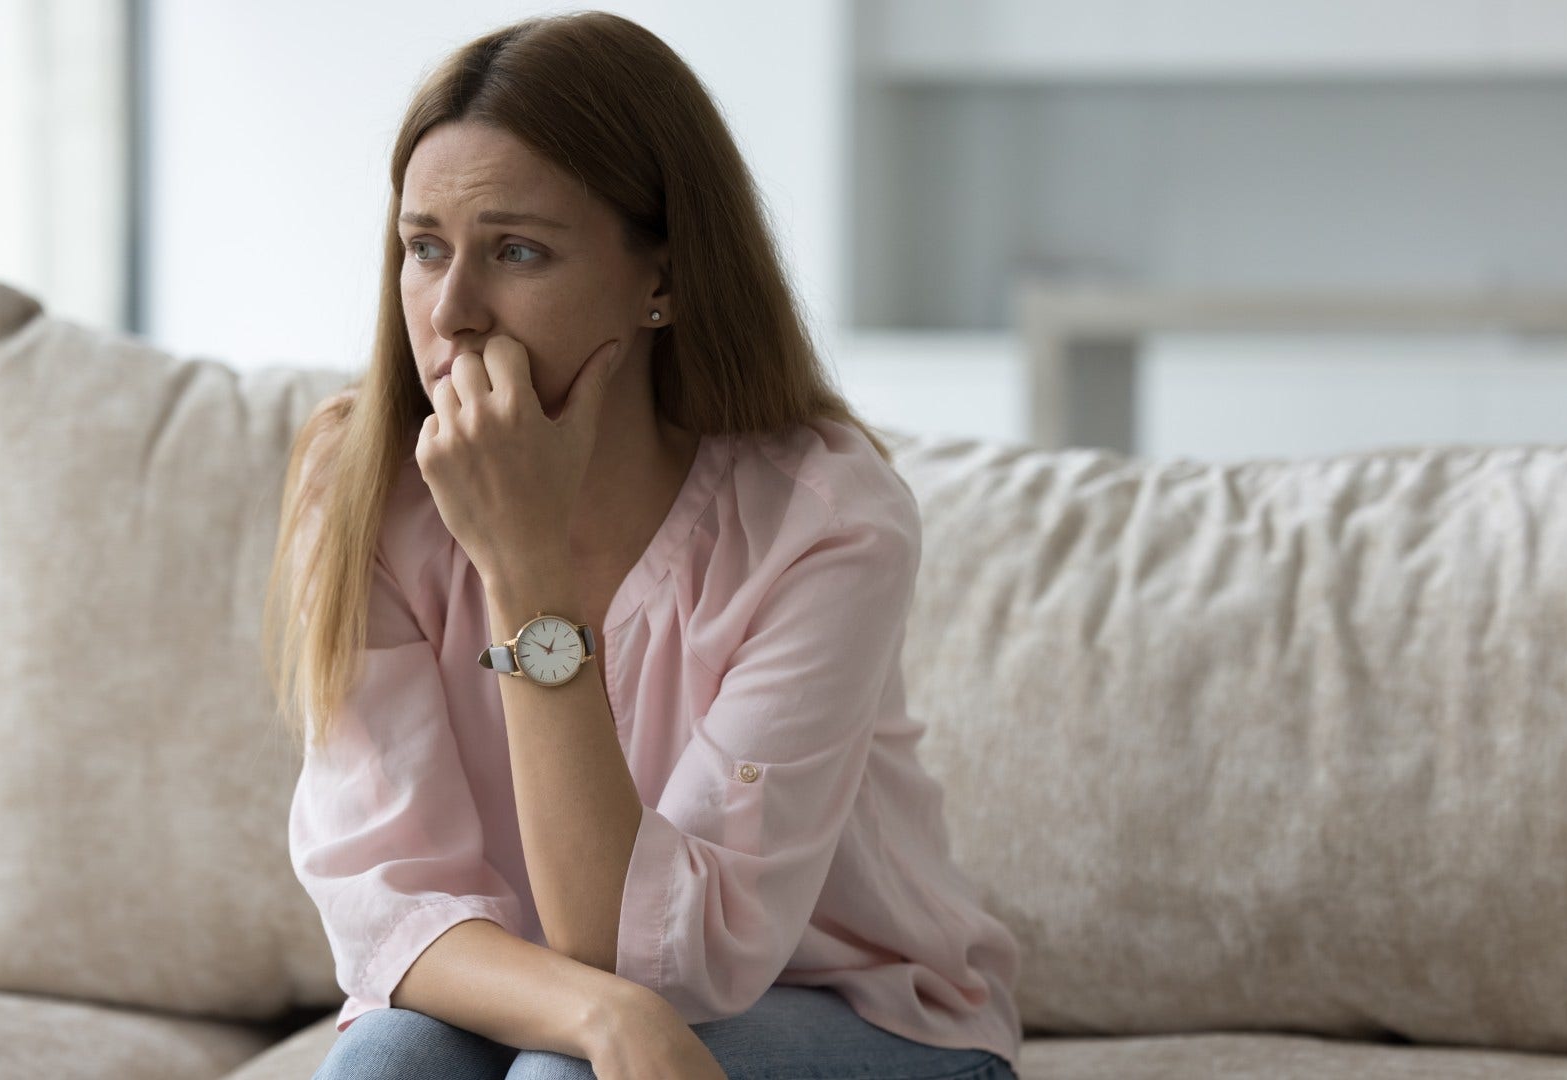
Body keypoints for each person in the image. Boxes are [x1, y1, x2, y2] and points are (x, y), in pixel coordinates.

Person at [261, 11, 1023, 1079]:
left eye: (517, 251)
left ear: (660, 280)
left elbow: (666, 958)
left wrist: (523, 565)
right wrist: (600, 1017)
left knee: (567, 1079)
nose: (453, 311)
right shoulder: (361, 487)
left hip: (860, 1008)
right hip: (549, 997)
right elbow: (389, 899)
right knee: (390, 1061)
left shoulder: (822, 520)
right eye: (424, 248)